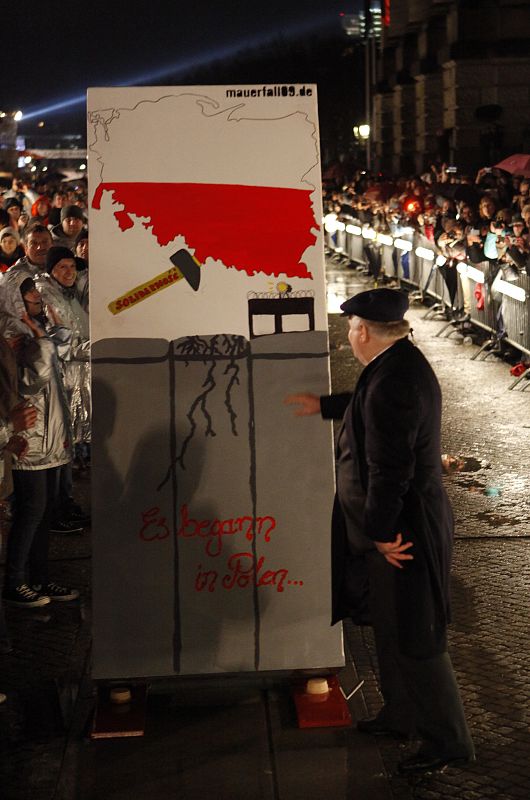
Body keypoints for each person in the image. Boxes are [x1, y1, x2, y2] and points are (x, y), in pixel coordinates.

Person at [286, 288, 474, 775]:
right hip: (392, 529)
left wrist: (382, 532)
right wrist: (327, 405)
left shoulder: (397, 377)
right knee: (391, 630)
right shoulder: (394, 368)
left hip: (404, 533)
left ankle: (449, 742)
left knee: (417, 636)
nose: (348, 336)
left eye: (350, 328)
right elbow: (371, 406)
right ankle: (402, 715)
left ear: (363, 331)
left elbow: (392, 466)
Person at [0, 274, 79, 607]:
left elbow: (65, 352)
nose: (35, 294)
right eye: (28, 290)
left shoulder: (36, 326)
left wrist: (53, 328)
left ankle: (40, 578)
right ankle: (15, 582)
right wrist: (42, 342)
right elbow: (29, 382)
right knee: (30, 510)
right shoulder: (11, 331)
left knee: (42, 512)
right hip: (28, 438)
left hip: (50, 436)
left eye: (35, 288)